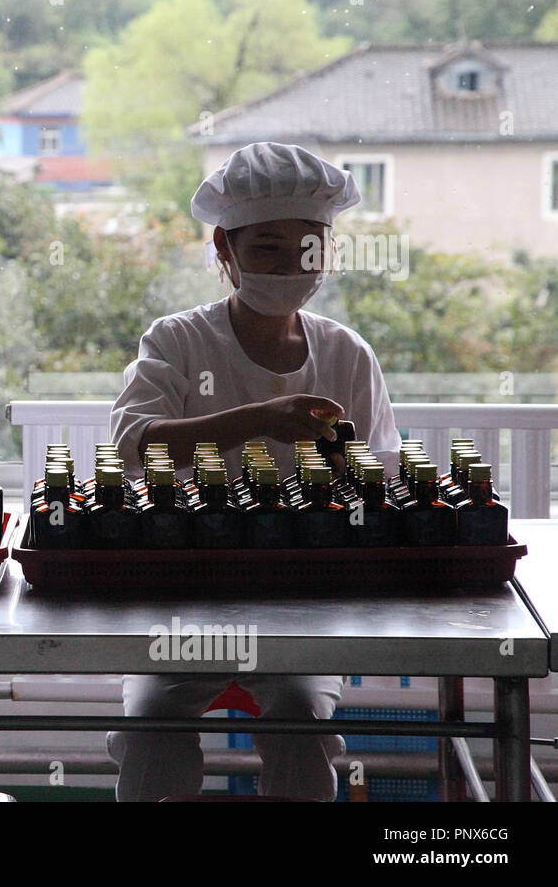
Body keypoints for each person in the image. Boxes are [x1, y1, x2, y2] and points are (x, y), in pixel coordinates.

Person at [107, 141, 402, 801]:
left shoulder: (345, 354)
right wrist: (260, 419)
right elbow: (131, 445)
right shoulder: (178, 341)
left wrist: (349, 476)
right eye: (268, 247)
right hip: (182, 596)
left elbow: (379, 475)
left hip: (305, 600)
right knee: (151, 721)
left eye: (309, 248)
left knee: (300, 713)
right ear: (224, 248)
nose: (292, 266)